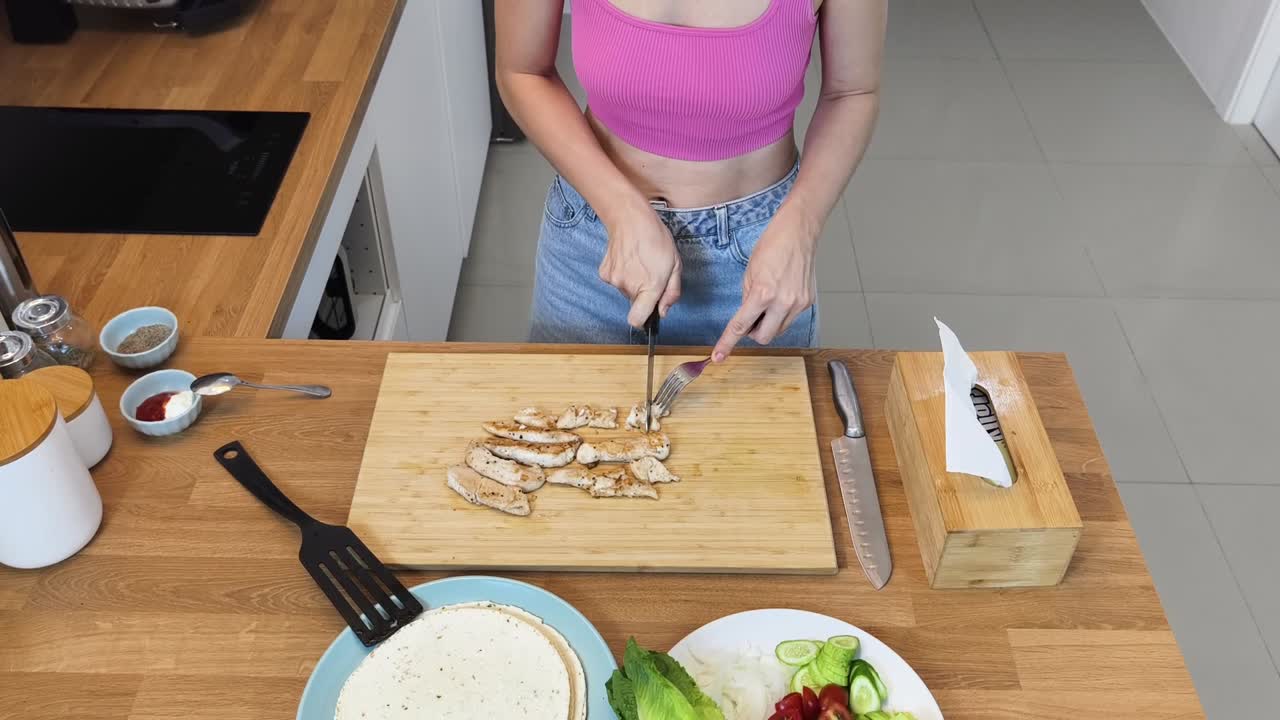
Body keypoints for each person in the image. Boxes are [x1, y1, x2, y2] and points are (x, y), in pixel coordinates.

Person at [496, 0, 885, 361]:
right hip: (590, 250)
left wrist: (803, 227)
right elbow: (523, 70)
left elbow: (851, 91)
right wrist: (621, 211)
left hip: (760, 258)